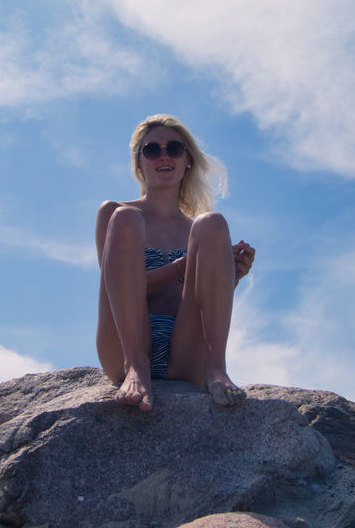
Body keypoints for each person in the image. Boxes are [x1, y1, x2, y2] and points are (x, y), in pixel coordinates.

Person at [95, 114, 255, 411]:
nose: (163, 156)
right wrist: (181, 268)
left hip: (186, 349)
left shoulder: (196, 232)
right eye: (152, 150)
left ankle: (216, 370)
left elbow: (196, 301)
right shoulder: (116, 214)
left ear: (188, 160)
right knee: (125, 218)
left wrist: (230, 275)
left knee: (213, 222)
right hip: (125, 343)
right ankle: (136, 368)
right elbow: (116, 288)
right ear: (139, 162)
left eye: (174, 149)